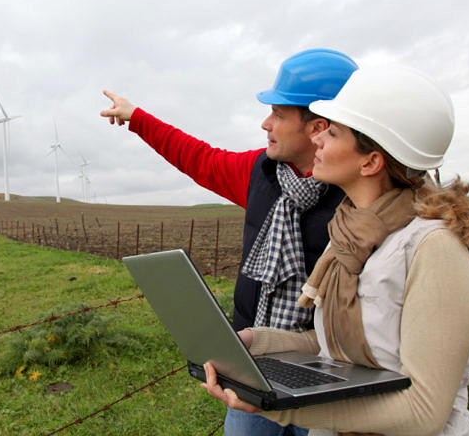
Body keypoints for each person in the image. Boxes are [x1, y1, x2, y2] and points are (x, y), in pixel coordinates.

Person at [201, 66, 469, 436]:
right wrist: (256, 342)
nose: (317, 139)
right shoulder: (349, 231)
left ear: (370, 162)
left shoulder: (434, 249)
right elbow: (334, 348)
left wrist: (279, 409)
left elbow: (423, 412)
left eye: (332, 131)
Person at [101, 49, 358, 436]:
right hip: (253, 368)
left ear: (318, 127)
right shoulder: (261, 173)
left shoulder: (362, 196)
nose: (265, 123)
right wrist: (138, 119)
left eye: (278, 114)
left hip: (331, 381)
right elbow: (200, 159)